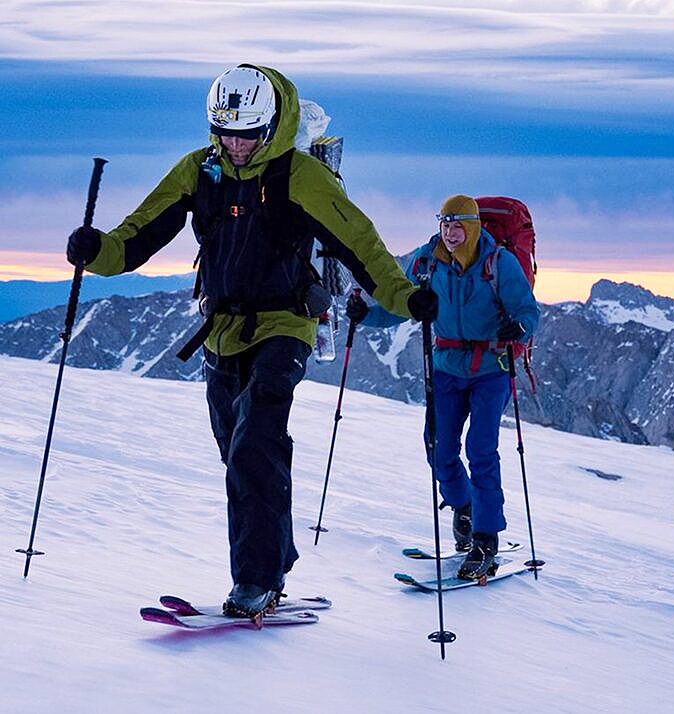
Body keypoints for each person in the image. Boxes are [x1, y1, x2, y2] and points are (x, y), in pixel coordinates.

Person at [65, 64, 438, 616]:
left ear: (272, 125)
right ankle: (275, 555)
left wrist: (405, 297)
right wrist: (98, 252)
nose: (236, 145)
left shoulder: (300, 176)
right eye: (226, 133)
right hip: (221, 328)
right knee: (235, 451)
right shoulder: (200, 169)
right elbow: (140, 233)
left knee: (255, 442)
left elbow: (359, 243)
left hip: (286, 323)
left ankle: (256, 581)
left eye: (248, 134)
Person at [347, 195, 539, 580]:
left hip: (491, 369)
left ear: (473, 226)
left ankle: (485, 539)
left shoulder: (499, 263)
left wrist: (519, 328)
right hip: (447, 368)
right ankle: (463, 507)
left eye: (458, 226)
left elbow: (528, 310)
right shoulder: (427, 261)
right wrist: (366, 316)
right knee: (439, 447)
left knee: (481, 449)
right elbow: (404, 305)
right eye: (445, 225)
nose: (450, 234)